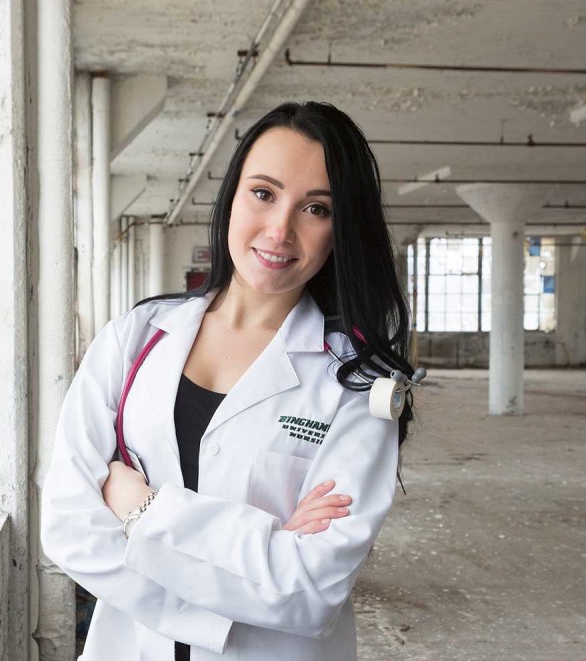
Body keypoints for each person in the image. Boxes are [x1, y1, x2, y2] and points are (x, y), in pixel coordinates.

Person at [41, 101, 415, 660]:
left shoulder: (357, 381)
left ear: (343, 228)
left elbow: (309, 590)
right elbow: (70, 527)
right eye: (263, 194)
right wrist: (259, 560)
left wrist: (142, 511)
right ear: (232, 196)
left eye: (316, 208)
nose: (280, 230)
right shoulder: (134, 338)